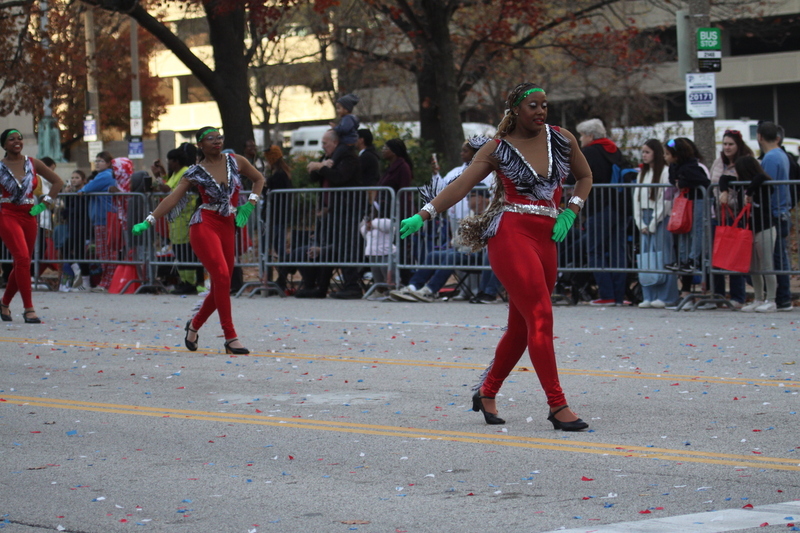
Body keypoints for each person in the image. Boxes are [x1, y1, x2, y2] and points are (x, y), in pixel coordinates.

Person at [399, 82, 593, 431]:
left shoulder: (562, 138)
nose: (540, 111)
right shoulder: (497, 148)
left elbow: (585, 176)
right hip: (510, 233)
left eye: (544, 105)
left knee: (523, 327)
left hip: (547, 235)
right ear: (515, 109)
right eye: (533, 105)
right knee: (541, 315)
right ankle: (557, 404)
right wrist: (424, 214)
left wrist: (571, 211)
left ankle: (486, 392)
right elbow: (460, 185)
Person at [132, 126, 265, 354]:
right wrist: (149, 220)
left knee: (223, 283)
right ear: (200, 145)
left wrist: (250, 205)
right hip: (204, 224)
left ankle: (194, 325)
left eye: (219, 137)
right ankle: (230, 337)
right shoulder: (195, 171)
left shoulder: (236, 161)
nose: (217, 141)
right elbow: (172, 199)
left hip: (228, 224)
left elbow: (259, 179)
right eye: (210, 138)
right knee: (222, 276)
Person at [0, 128, 64, 323]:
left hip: (29, 215)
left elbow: (57, 182)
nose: (17, 141)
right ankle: (29, 308)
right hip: (7, 214)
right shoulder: (0, 166)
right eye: (12, 139)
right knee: (22, 257)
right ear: (4, 145)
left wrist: (44, 204)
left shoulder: (32, 162)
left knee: (23, 263)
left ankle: (4, 304)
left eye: (20, 138)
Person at [300, 129, 363, 299]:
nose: (323, 147)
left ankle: (352, 285)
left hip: (347, 211)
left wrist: (322, 167)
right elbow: (314, 177)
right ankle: (321, 287)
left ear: (335, 143)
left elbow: (340, 177)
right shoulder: (329, 159)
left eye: (325, 143)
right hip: (329, 211)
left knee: (345, 248)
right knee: (325, 247)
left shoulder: (348, 158)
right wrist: (318, 167)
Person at [576, 118, 627, 306]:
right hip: (619, 206)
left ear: (590, 135)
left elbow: (578, 176)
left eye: (582, 135)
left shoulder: (589, 152)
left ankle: (607, 294)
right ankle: (620, 296)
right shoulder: (614, 150)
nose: (580, 139)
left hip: (598, 206)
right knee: (617, 251)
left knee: (595, 250)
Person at [719, 156, 776, 312]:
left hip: (764, 227)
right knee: (752, 266)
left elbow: (761, 176)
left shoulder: (762, 183)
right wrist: (724, 190)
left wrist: (750, 192)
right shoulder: (740, 184)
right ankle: (758, 298)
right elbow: (723, 178)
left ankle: (771, 299)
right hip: (749, 229)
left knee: (766, 264)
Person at [152, 144, 203, 295]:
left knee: (186, 252)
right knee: (179, 252)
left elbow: (171, 191)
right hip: (176, 220)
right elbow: (168, 188)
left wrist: (159, 181)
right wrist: (159, 177)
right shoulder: (175, 173)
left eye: (170, 161)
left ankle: (191, 282)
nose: (168, 164)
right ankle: (184, 281)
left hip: (185, 218)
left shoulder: (185, 172)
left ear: (177, 161)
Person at [632, 139, 678, 308]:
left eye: (647, 152)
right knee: (646, 257)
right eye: (643, 152)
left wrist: (653, 222)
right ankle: (649, 295)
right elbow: (636, 198)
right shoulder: (642, 173)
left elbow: (664, 200)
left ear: (655, 153)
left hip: (658, 217)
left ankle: (666, 295)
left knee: (662, 255)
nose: (644, 155)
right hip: (643, 216)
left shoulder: (665, 172)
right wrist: (640, 221)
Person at [709, 129, 752, 309]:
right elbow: (712, 183)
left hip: (737, 215)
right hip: (717, 214)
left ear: (738, 145)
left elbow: (747, 188)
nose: (727, 147)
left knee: (735, 256)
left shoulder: (746, 161)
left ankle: (737, 296)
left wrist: (730, 197)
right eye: (725, 144)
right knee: (716, 256)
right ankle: (718, 294)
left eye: (731, 144)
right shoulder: (718, 162)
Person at [758, 122, 793, 311]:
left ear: (760, 137)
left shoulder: (771, 157)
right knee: (780, 255)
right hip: (782, 211)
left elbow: (767, 185)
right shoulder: (781, 154)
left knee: (777, 256)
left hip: (775, 212)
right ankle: (783, 297)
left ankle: (782, 297)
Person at [664, 138, 710, 274]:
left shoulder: (691, 167)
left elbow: (703, 181)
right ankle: (682, 259)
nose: (664, 157)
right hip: (686, 200)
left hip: (699, 199)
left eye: (667, 154)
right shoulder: (674, 167)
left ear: (677, 156)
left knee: (696, 230)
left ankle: (693, 260)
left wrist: (684, 182)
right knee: (682, 228)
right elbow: (672, 179)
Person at [77, 151, 118, 292]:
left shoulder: (105, 175)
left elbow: (88, 188)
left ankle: (108, 282)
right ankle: (106, 281)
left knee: (106, 252)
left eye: (100, 161)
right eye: (96, 160)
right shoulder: (104, 175)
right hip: (102, 218)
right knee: (104, 252)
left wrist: (82, 189)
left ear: (108, 163)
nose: (97, 163)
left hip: (105, 218)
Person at [262, 145, 293, 290]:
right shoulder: (283, 173)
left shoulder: (278, 175)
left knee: (277, 247)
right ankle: (280, 277)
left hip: (276, 215)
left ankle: (282, 277)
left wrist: (265, 186)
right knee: (276, 246)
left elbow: (272, 193)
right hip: (278, 215)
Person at [60, 170, 92, 291]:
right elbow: (68, 210)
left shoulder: (84, 193)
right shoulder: (73, 193)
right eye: (72, 177)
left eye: (77, 178)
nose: (74, 180)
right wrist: (67, 195)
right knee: (66, 248)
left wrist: (67, 212)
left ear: (83, 180)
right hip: (73, 226)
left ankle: (86, 282)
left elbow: (77, 210)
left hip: (82, 226)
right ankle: (77, 270)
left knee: (79, 253)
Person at [329, 93, 360, 163]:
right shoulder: (350, 118)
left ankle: (331, 164)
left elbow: (344, 129)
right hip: (350, 143)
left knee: (336, 156)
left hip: (347, 143)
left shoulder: (347, 118)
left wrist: (335, 128)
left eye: (339, 108)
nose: (337, 111)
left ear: (346, 109)